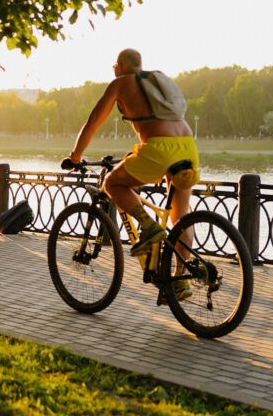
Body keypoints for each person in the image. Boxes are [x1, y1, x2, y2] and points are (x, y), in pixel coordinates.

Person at [67, 49, 201, 293]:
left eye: (114, 66)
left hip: (159, 148)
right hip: (188, 147)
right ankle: (180, 280)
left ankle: (149, 228)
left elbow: (94, 120)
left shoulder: (120, 83)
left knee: (112, 183)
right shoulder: (156, 81)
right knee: (181, 217)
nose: (113, 70)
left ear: (121, 66)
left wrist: (75, 156)